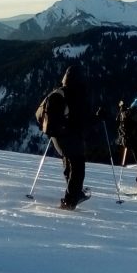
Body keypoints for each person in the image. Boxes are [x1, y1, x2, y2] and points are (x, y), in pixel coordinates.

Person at [44, 65, 96, 210]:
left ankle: (74, 194)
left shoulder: (59, 92)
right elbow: (82, 119)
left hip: (57, 136)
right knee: (78, 166)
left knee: (69, 163)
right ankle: (70, 200)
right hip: (69, 135)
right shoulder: (76, 94)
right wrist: (98, 117)